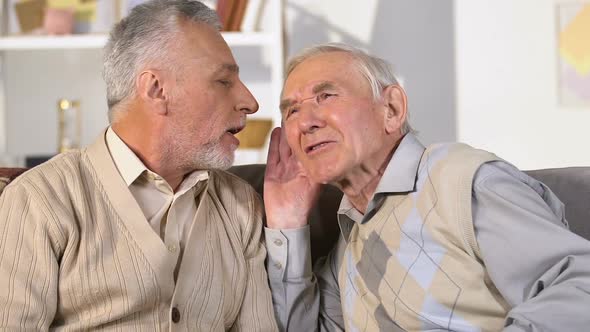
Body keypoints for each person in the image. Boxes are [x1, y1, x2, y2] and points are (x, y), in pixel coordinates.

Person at [263, 43, 590, 331]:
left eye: (326, 96)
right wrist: (287, 224)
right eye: (292, 110)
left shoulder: (461, 181)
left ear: (391, 109)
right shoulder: (348, 239)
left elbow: (577, 286)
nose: (305, 122)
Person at [0, 1, 278, 330]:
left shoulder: (241, 207)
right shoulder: (40, 201)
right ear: (156, 89)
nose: (250, 101)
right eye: (223, 81)